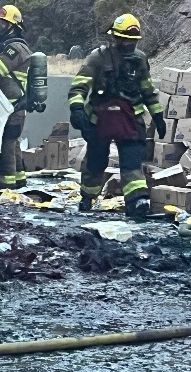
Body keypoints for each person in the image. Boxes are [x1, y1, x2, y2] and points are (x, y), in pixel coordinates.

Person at [68, 13, 166, 219]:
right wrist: (77, 109)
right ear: (114, 38)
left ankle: (136, 203)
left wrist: (158, 116)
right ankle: (87, 197)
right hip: (100, 119)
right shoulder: (98, 58)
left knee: (132, 163)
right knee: (95, 163)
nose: (127, 45)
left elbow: (148, 89)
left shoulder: (140, 60)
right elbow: (79, 86)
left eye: (132, 41)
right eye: (124, 40)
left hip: (131, 120)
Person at [0, 4, 33, 188]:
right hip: (11, 106)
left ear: (12, 27)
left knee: (5, 146)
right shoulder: (5, 45)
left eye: (3, 24)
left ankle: (5, 185)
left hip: (12, 106)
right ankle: (20, 181)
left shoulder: (15, 48)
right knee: (13, 143)